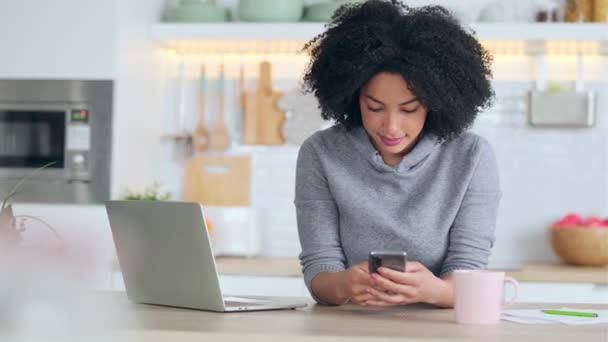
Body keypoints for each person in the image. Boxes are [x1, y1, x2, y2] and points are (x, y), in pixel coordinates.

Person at [295, 0, 501, 308]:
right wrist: (344, 284)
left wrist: (431, 290)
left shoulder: (471, 157)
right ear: (352, 98)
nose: (391, 126)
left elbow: (468, 271)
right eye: (374, 107)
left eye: (409, 109)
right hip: (350, 326)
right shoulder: (321, 153)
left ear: (435, 101)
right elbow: (320, 269)